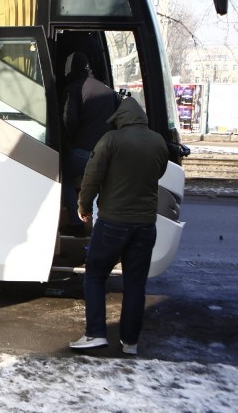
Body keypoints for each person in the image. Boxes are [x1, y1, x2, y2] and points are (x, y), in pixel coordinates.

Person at [69, 96, 169, 355]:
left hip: (113, 222)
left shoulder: (111, 140)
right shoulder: (158, 141)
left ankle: (95, 334)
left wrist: (83, 207)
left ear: (120, 119)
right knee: (135, 284)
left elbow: (92, 176)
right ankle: (130, 342)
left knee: (95, 274)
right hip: (146, 225)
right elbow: (158, 173)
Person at [60, 51, 118, 236]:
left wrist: (68, 143)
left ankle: (76, 224)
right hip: (106, 151)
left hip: (83, 150)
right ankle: (99, 227)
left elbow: (69, 120)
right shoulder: (108, 91)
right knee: (98, 183)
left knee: (62, 176)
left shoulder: (74, 88)